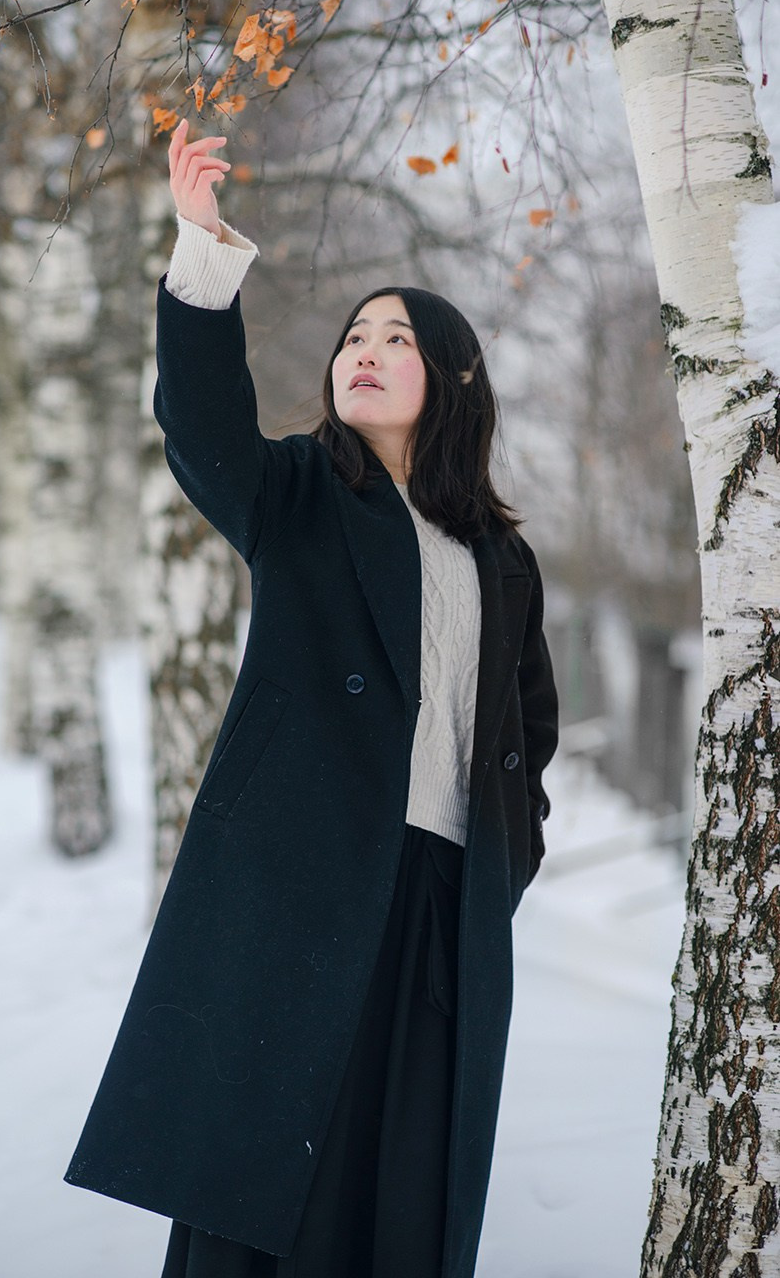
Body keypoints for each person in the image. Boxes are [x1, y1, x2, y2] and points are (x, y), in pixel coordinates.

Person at [65, 120, 559, 1278]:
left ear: (453, 377)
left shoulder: (500, 555)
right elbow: (202, 433)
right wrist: (201, 253)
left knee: (401, 1194)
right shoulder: (299, 490)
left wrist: (502, 863)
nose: (366, 348)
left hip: (440, 913)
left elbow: (525, 739)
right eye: (352, 335)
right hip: (298, 892)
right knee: (262, 1194)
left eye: (398, 335)